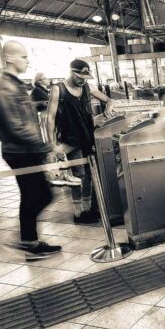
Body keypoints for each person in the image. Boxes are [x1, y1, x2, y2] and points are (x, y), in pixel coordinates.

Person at [0, 41, 62, 260]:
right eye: (22, 56)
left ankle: (28, 240)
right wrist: (44, 148)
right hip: (20, 151)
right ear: (9, 58)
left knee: (34, 195)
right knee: (40, 194)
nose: (26, 60)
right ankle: (25, 240)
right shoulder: (4, 87)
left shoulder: (15, 85)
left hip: (24, 149)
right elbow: (16, 126)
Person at [44, 60, 114, 225]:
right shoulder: (58, 89)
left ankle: (87, 208)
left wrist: (108, 108)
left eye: (85, 76)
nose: (83, 80)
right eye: (80, 76)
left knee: (90, 174)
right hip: (70, 140)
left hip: (88, 137)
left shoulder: (88, 88)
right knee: (78, 175)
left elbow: (109, 100)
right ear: (71, 72)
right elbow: (50, 118)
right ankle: (78, 212)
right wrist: (52, 144)